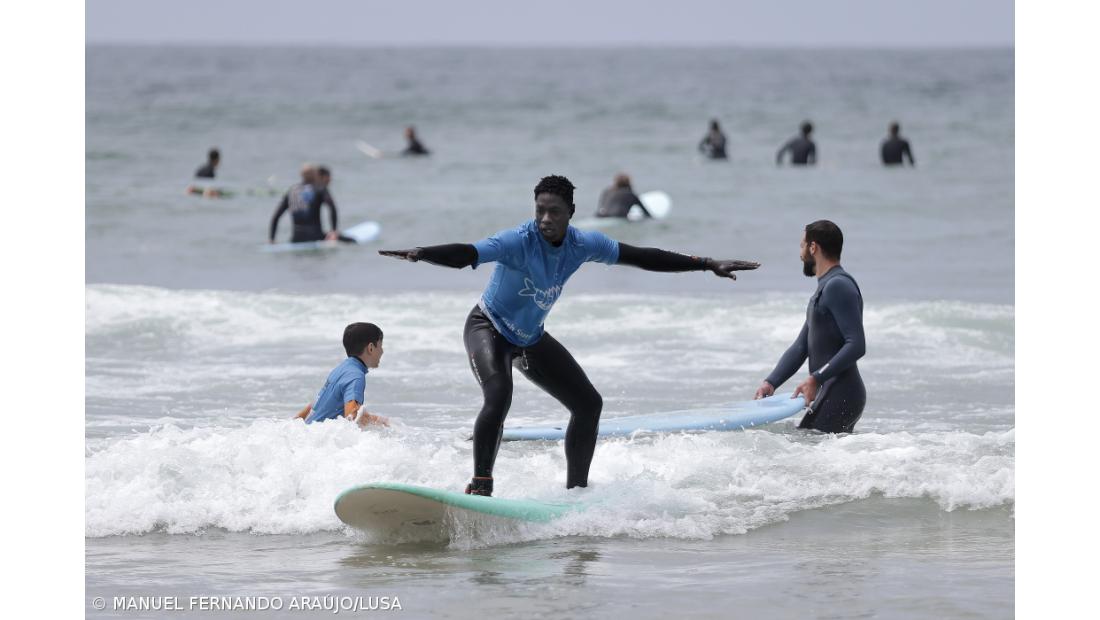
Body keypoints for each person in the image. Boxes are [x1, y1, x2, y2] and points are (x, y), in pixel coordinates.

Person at [380, 175, 760, 496]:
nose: (545, 219)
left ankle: (577, 490)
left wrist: (707, 264)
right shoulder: (517, 240)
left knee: (589, 403)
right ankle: (481, 483)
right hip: (488, 327)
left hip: (529, 337)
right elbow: (468, 253)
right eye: (540, 210)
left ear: (570, 214)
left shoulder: (583, 245)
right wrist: (421, 253)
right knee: (498, 395)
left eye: (554, 212)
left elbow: (643, 256)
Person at [753, 220, 865, 433]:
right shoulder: (825, 289)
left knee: (805, 449)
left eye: (802, 245)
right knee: (811, 454)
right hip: (833, 391)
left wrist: (815, 378)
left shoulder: (838, 286)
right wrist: (771, 382)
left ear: (813, 247)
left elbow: (857, 344)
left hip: (842, 392)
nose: (801, 253)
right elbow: (801, 347)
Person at [295, 322, 390, 427]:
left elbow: (313, 405)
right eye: (380, 346)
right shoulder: (356, 376)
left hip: (308, 432)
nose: (382, 351)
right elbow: (352, 416)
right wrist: (381, 421)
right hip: (318, 439)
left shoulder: (341, 369)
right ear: (371, 348)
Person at [268, 164, 341, 244]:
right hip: (316, 236)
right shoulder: (320, 188)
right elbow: (332, 207)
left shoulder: (292, 190)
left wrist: (272, 238)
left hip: (296, 239)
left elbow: (276, 216)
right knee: (352, 241)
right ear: (315, 174)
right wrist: (333, 231)